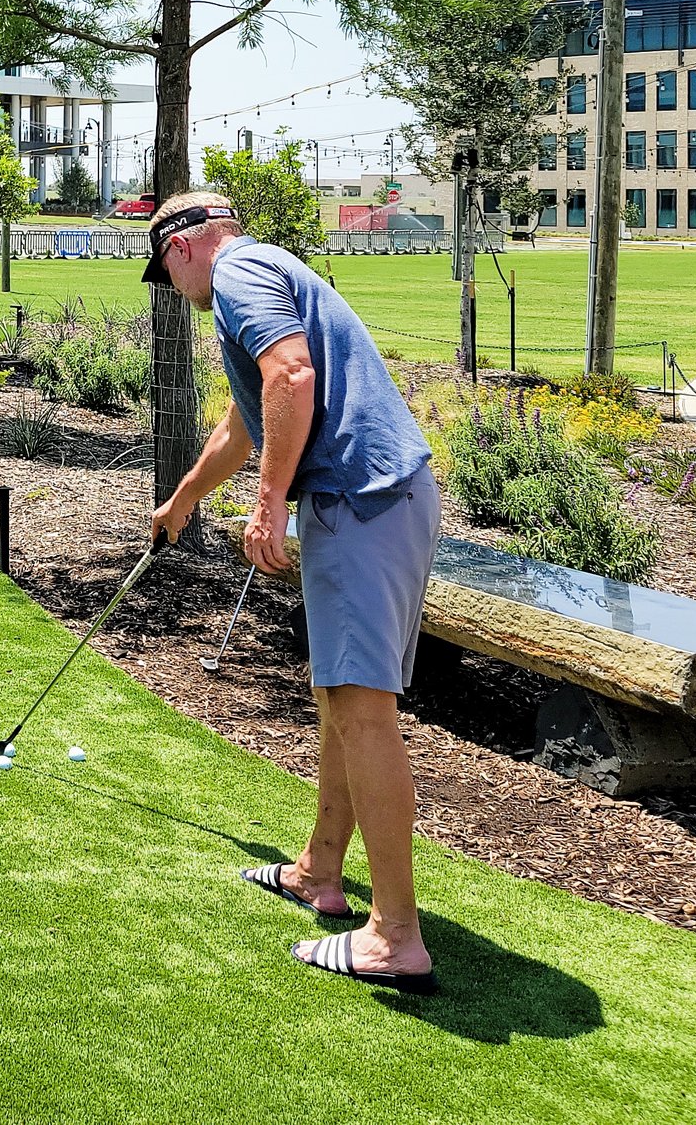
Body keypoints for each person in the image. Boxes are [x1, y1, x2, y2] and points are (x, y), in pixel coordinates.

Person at [146, 189, 442, 995]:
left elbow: (293, 374)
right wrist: (183, 502)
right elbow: (245, 423)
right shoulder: (268, 268)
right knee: (337, 697)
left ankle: (394, 935)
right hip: (382, 497)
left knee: (360, 705)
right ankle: (320, 869)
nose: (172, 287)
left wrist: (271, 497)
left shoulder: (238, 274)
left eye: (163, 272)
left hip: (358, 498)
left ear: (180, 249)